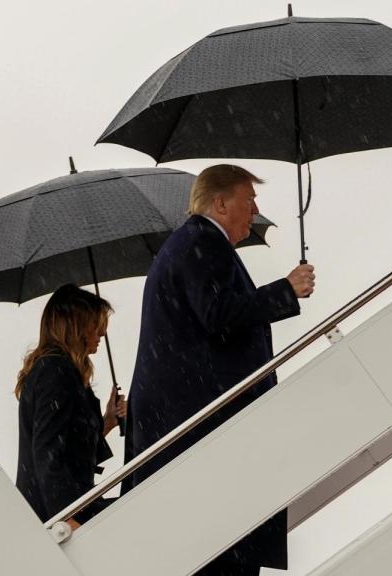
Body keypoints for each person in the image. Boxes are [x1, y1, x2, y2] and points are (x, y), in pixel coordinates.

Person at [125, 164, 315, 576]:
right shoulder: (202, 241)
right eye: (249, 199)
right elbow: (218, 313)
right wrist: (286, 289)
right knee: (223, 549)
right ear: (220, 202)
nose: (255, 208)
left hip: (184, 424)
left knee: (210, 551)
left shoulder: (190, 243)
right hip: (202, 426)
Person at [15, 284, 125, 530]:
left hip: (69, 505)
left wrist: (107, 421)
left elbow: (70, 449)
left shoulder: (60, 371)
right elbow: (47, 455)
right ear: (77, 326)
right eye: (96, 323)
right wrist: (66, 522)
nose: (103, 332)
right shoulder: (55, 372)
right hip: (62, 511)